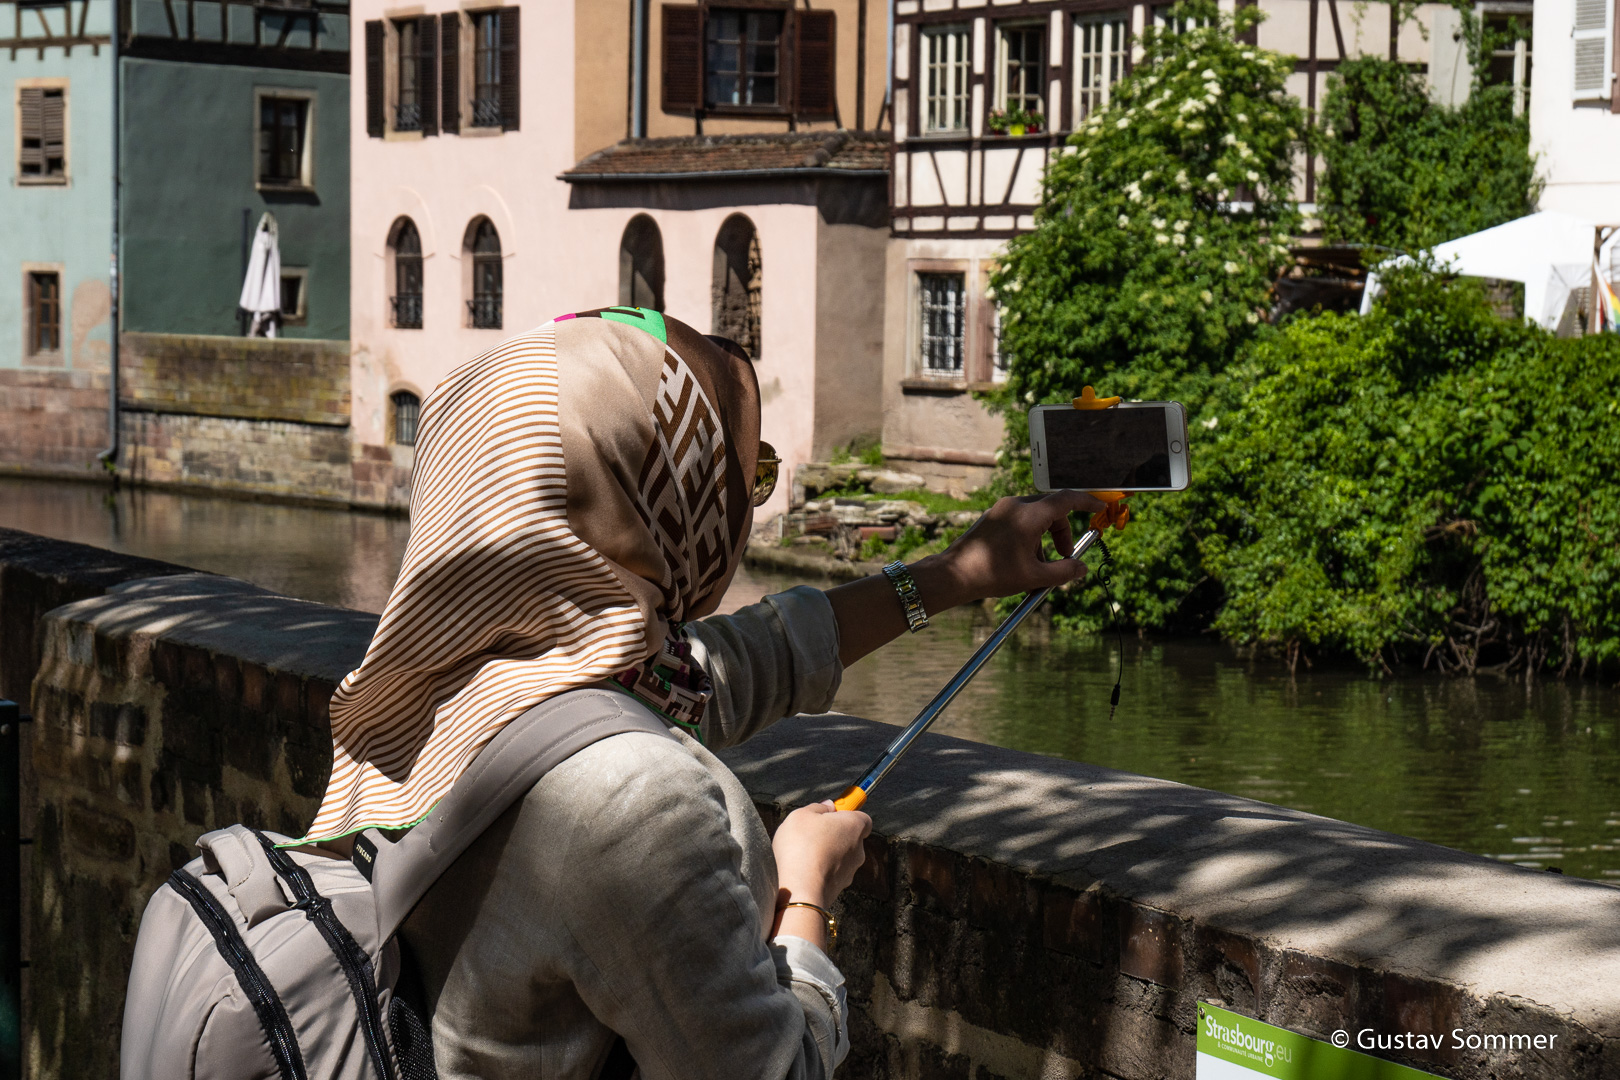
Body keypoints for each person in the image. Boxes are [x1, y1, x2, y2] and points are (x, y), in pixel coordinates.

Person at [303, 307, 1104, 1080]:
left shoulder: (433, 682)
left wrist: (958, 573)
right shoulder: (627, 802)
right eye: (742, 476)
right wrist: (806, 896)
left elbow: (726, 667)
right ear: (662, 494)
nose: (743, 508)